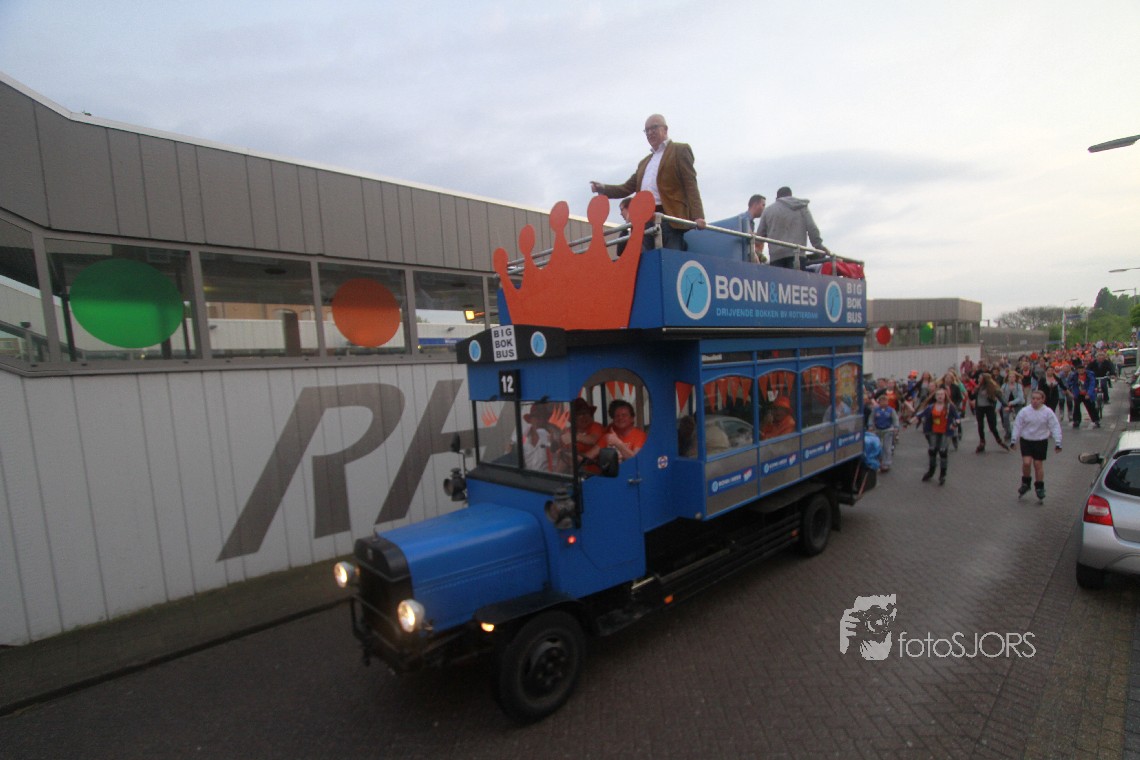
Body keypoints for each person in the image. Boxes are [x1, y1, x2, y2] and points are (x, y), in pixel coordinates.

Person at [590, 114, 706, 251]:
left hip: (669, 217)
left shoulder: (679, 150)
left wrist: (698, 216)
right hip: (644, 220)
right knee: (647, 259)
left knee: (669, 257)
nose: (650, 133)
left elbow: (690, 184)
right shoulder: (644, 163)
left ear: (665, 129)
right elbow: (627, 187)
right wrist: (603, 188)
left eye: (654, 128)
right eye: (647, 130)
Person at [755, 186, 828, 269]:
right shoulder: (802, 207)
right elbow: (812, 229)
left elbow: (759, 238)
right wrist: (819, 247)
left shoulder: (768, 211)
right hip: (797, 255)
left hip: (776, 258)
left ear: (777, 198)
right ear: (791, 195)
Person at [1010, 389, 1063, 501]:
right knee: (1026, 462)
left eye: (1038, 399)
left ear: (1043, 400)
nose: (1035, 401)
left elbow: (1054, 426)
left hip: (1040, 440)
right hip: (1027, 440)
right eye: (1033, 398)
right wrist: (1014, 440)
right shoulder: (1024, 411)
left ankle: (1039, 487)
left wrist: (1058, 442)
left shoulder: (1047, 412)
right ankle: (1026, 483)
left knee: (1038, 464)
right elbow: (1017, 425)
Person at [912, 387, 961, 485]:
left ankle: (942, 474)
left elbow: (958, 418)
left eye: (942, 394)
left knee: (943, 451)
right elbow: (920, 415)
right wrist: (909, 422)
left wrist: (955, 424)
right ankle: (931, 471)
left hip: (945, 432)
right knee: (932, 450)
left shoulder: (949, 407)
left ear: (945, 396)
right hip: (934, 431)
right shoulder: (931, 407)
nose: (940, 396)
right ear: (935, 396)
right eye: (938, 394)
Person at [971, 372, 1009, 452]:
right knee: (980, 426)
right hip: (979, 408)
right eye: (979, 378)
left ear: (984, 380)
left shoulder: (991, 387)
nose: (978, 379)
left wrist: (1005, 405)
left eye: (980, 378)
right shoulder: (978, 387)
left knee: (992, 426)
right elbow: (973, 396)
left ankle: (999, 440)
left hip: (989, 407)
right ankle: (982, 442)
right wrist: (973, 393)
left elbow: (999, 397)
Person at [563, 397, 606, 462]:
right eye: (580, 414)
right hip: (573, 466)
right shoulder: (568, 430)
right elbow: (565, 452)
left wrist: (574, 437)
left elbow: (593, 439)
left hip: (593, 467)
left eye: (586, 413)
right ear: (574, 418)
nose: (584, 417)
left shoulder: (596, 426)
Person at [869, 394, 900, 473]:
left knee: (887, 447)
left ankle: (886, 463)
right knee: (878, 446)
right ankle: (878, 461)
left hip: (887, 430)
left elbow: (895, 419)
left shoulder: (891, 410)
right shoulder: (876, 410)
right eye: (882, 401)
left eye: (885, 401)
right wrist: (870, 425)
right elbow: (871, 418)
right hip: (877, 430)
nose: (883, 403)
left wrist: (896, 427)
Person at [737, 194, 766, 262]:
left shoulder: (751, 222)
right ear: (755, 205)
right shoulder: (743, 219)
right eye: (763, 205)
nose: (764, 209)